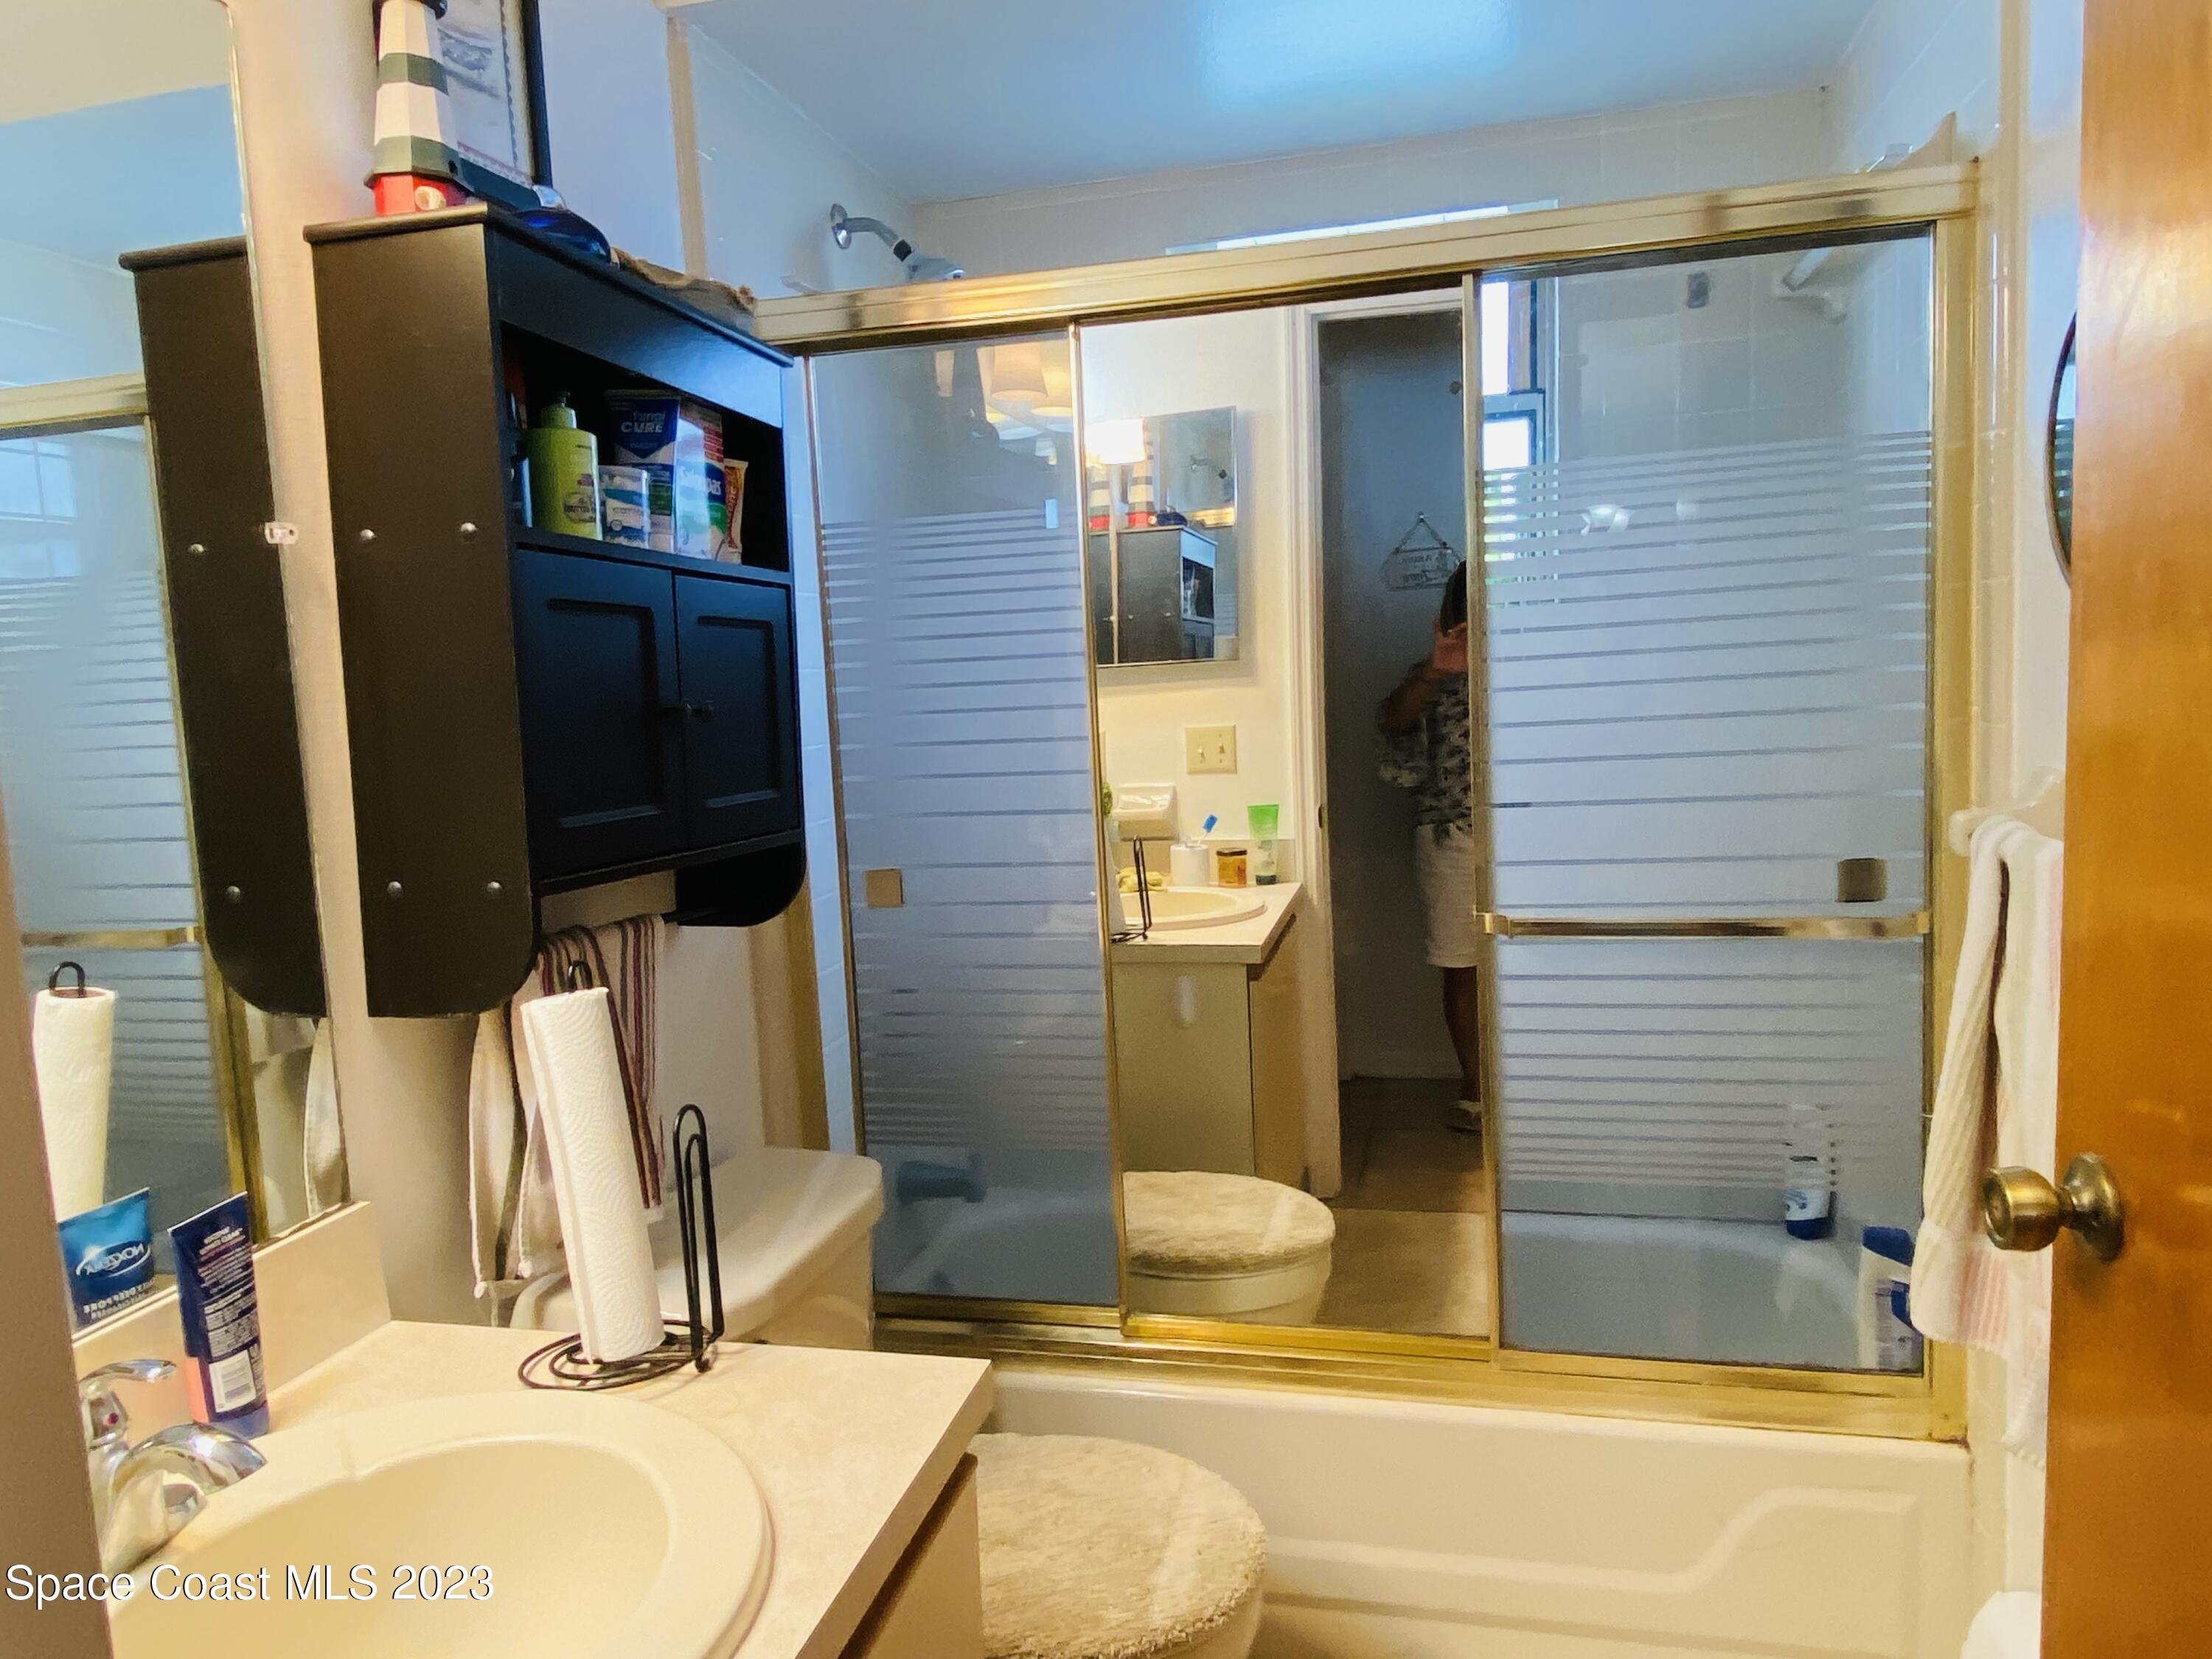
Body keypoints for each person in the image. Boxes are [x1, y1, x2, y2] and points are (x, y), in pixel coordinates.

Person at [1378, 563, 1481, 1134]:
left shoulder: (1541, 654)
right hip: (1454, 830)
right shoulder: (1435, 671)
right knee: (1462, 965)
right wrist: (1438, 673)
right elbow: (1394, 724)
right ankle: (1477, 1086)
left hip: (1537, 832)